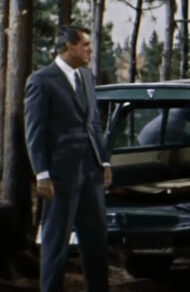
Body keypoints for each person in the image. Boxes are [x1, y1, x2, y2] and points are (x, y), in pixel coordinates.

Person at [25, 25, 111, 292]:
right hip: (60, 175)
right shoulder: (41, 80)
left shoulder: (86, 76)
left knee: (96, 240)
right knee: (56, 242)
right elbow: (34, 132)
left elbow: (94, 123)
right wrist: (42, 173)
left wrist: (104, 161)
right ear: (69, 47)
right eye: (85, 45)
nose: (89, 50)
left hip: (91, 172)